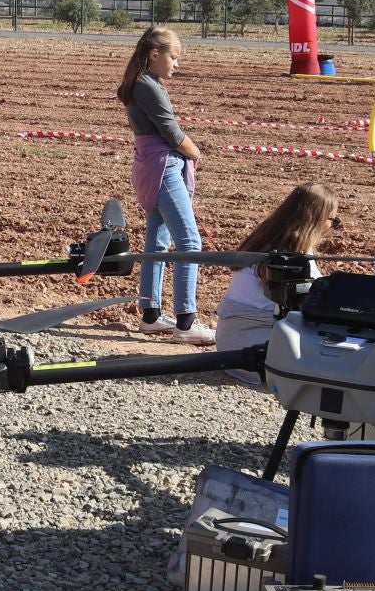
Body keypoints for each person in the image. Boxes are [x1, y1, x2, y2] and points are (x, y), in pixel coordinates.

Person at [117, 26, 214, 344]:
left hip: (149, 167)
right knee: (190, 243)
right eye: (173, 57)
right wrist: (195, 151)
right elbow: (171, 133)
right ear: (154, 54)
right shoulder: (148, 85)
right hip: (164, 169)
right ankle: (186, 323)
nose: (176, 64)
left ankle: (151, 316)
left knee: (157, 244)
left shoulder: (141, 82)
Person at [214, 183, 337, 383]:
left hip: (232, 347)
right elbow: (311, 305)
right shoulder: (291, 256)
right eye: (334, 220)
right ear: (318, 220)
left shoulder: (267, 240)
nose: (332, 227)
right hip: (257, 353)